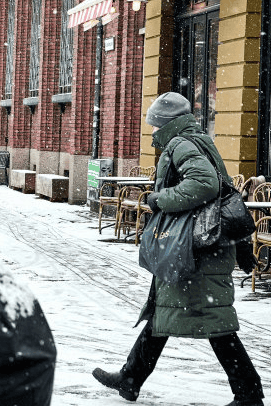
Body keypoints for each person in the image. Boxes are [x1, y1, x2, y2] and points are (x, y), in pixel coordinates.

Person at [93, 91, 263, 406]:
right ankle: (130, 378)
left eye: (156, 125)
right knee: (163, 313)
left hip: (198, 248)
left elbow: (206, 185)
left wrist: (160, 199)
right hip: (203, 245)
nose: (154, 132)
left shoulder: (181, 143)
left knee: (214, 321)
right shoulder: (199, 141)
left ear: (169, 123)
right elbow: (224, 190)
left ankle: (249, 393)